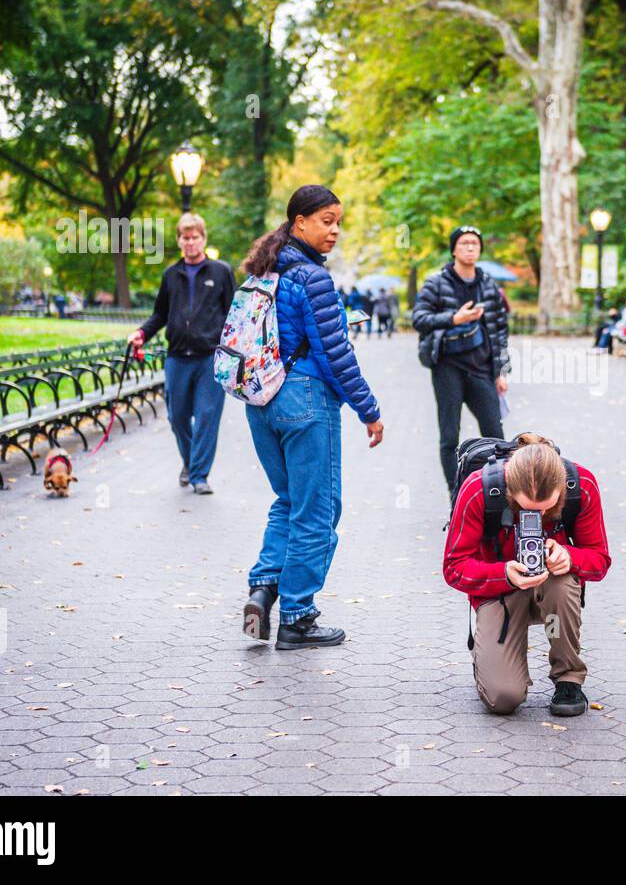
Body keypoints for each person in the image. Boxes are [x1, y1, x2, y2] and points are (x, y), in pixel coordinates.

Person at [239, 184, 385, 650]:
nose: (335, 230)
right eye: (326, 220)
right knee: (318, 509)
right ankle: (298, 617)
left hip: (262, 400)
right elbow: (335, 355)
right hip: (305, 400)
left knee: (288, 500)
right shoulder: (312, 279)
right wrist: (369, 409)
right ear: (298, 222)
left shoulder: (264, 270)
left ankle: (263, 591)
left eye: (339, 221)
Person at [442, 433, 611, 716]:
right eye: (526, 508)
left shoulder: (580, 485)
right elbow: (453, 567)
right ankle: (486, 647)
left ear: (561, 488)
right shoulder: (479, 489)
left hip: (553, 590)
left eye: (546, 509)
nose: (537, 516)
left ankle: (568, 677)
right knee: (502, 699)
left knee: (562, 582)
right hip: (499, 589)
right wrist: (504, 573)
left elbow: (600, 560)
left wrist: (569, 556)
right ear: (510, 490)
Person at [128, 212, 236, 494]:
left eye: (195, 237)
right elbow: (160, 314)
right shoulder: (170, 275)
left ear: (204, 239)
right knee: (177, 417)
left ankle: (199, 475)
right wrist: (141, 334)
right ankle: (190, 461)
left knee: (206, 417)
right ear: (179, 241)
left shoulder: (221, 272)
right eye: (185, 238)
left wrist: (234, 350)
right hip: (177, 357)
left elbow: (234, 315)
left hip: (210, 357)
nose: (190, 243)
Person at [412, 225, 511, 491]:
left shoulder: (488, 285)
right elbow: (419, 319)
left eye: (475, 244)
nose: (470, 247)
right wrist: (454, 318)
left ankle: (498, 494)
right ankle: (456, 495)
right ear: (454, 249)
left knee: (497, 437)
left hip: (481, 369)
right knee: (449, 437)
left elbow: (501, 330)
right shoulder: (436, 282)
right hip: (448, 368)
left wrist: (502, 371)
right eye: (464, 243)